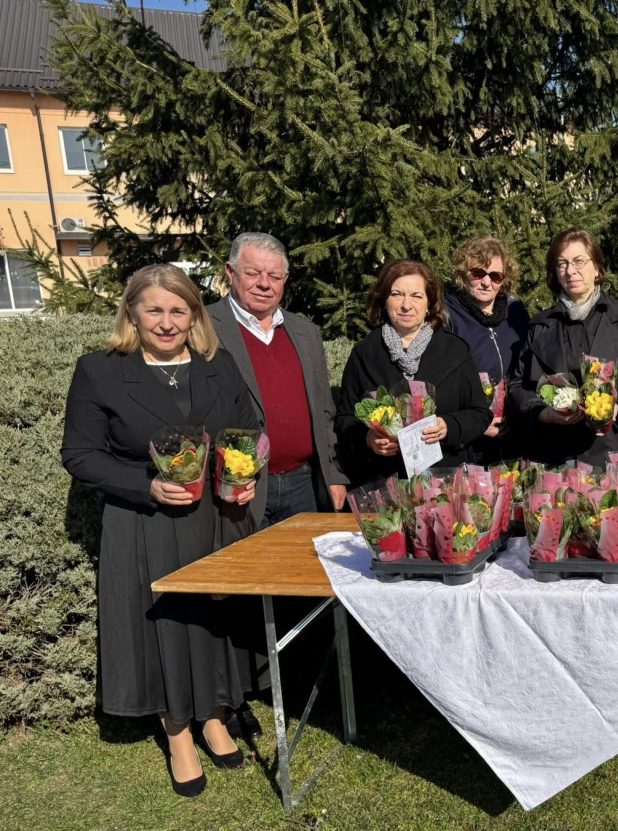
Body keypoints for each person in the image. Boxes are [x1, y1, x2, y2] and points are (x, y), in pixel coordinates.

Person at [62, 265, 258, 797]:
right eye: (154, 310)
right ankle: (177, 732)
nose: (167, 322)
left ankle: (216, 712)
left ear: (194, 315)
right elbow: (79, 454)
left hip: (216, 515)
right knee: (167, 623)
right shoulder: (100, 371)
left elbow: (249, 428)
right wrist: (144, 485)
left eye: (179, 310)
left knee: (216, 617)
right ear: (132, 313)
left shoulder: (219, 364)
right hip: (144, 521)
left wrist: (241, 475)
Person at [208, 232, 349, 525]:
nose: (264, 284)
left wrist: (334, 475)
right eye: (253, 273)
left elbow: (324, 411)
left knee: (304, 569)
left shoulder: (305, 332)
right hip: (241, 486)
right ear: (230, 272)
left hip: (304, 483)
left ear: (285, 279)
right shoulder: (204, 328)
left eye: (274, 275)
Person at [336, 260, 491, 485]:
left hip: (446, 480)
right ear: (383, 301)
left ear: (430, 302)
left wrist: (448, 426)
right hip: (385, 483)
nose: (406, 305)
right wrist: (368, 438)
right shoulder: (365, 353)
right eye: (397, 294)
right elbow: (344, 418)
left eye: (417, 296)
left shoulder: (454, 351)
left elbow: (480, 413)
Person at [509, 229, 618, 466]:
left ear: (596, 268)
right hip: (553, 457)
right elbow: (517, 385)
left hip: (610, 454)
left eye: (579, 261)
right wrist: (542, 413)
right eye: (561, 263)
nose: (570, 271)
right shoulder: (540, 326)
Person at [443, 236, 530, 464]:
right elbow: (442, 384)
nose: (486, 282)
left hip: (515, 434)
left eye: (495, 276)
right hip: (469, 443)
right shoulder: (447, 314)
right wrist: (474, 422)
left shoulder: (516, 311)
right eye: (478, 273)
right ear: (463, 273)